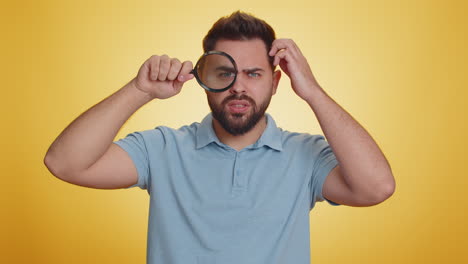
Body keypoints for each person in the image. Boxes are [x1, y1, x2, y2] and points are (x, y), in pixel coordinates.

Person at [44, 11, 395, 264]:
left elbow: (377, 187)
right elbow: (64, 163)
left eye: (253, 74)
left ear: (275, 83)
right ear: (202, 78)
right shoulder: (162, 148)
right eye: (224, 73)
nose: (239, 86)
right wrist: (140, 90)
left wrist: (313, 91)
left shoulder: (306, 155)